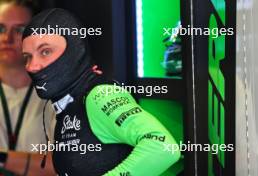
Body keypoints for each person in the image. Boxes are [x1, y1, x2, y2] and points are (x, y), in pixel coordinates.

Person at [22, 8, 181, 176]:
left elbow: (162, 146)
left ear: (74, 49)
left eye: (45, 51)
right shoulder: (67, 103)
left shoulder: (100, 96)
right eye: (27, 57)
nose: (32, 66)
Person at [0, 1, 56, 175]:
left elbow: (62, 166)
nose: (6, 38)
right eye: (1, 28)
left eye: (19, 30)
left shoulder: (57, 95)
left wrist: (3, 159)